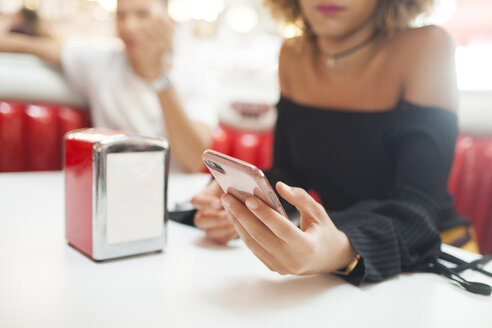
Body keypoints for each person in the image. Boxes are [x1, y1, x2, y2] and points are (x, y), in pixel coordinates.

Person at [191, 0, 477, 285]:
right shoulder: (294, 53)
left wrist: (341, 248)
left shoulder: (426, 45)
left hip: (436, 256)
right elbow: (290, 177)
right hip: (340, 255)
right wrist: (241, 203)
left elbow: (416, 209)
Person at [0, 0, 213, 173]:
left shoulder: (195, 74)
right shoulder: (101, 63)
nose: (129, 26)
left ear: (168, 23)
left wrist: (158, 76)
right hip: (113, 191)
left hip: (172, 196)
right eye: (121, 16)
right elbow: (30, 45)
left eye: (142, 14)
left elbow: (194, 161)